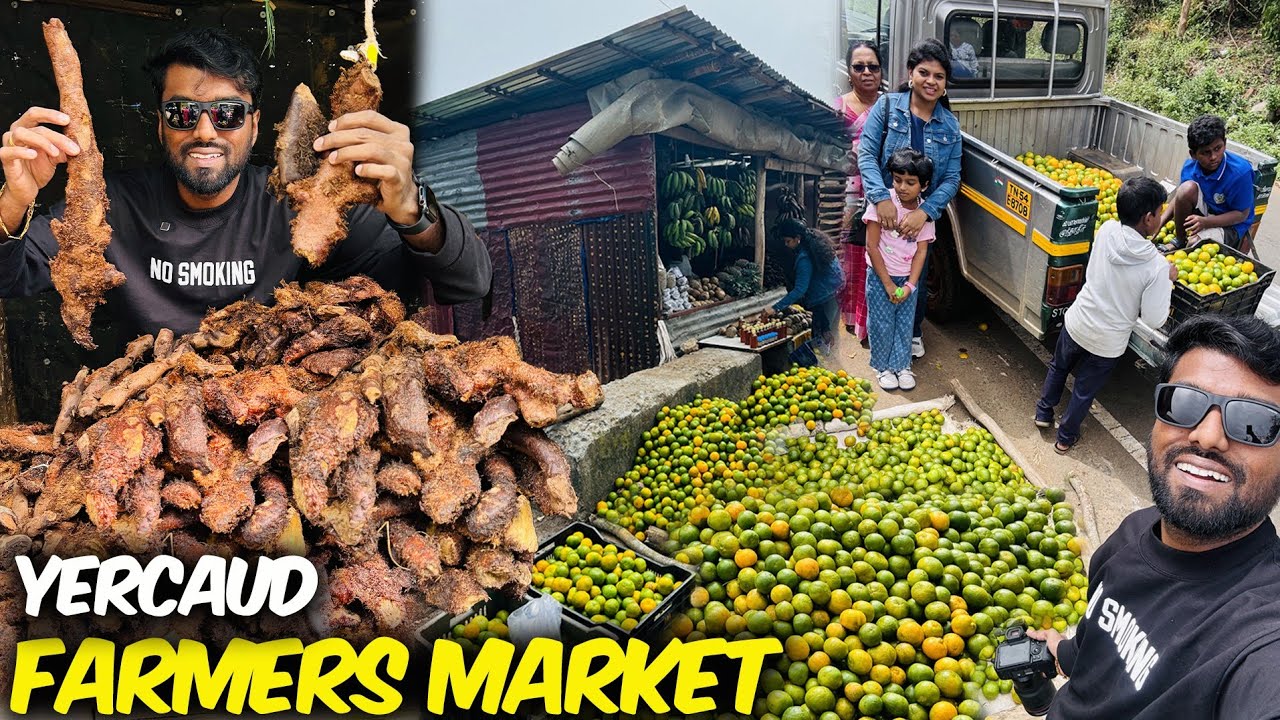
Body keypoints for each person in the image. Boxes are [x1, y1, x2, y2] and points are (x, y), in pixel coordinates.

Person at [0, 28, 491, 341]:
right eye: (183, 112)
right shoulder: (112, 208)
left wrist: (413, 209)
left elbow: (467, 282)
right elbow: (11, 278)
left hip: (273, 422)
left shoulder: (303, 202)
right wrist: (12, 204)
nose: (206, 131)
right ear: (160, 125)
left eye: (228, 113)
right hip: (149, 428)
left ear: (255, 126)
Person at [1028, 313, 1280, 719]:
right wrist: (1064, 651)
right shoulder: (1133, 534)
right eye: (1184, 403)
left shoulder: (1260, 635)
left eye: (1253, 423)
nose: (1207, 436)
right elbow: (1101, 642)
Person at [1035, 176, 1174, 453]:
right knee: (1084, 391)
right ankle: (1065, 439)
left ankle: (1043, 413)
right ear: (1148, 218)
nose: (1161, 217)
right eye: (1160, 212)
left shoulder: (1108, 229)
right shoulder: (1157, 267)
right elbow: (1154, 319)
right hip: (1107, 343)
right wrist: (1168, 279)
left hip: (1078, 322)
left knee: (1059, 367)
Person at [858, 38, 962, 361]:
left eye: (939, 76)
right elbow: (866, 155)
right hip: (885, 214)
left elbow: (952, 178)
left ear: (945, 85)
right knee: (881, 274)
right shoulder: (887, 107)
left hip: (919, 219)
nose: (931, 81)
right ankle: (880, 337)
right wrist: (880, 200)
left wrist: (926, 213)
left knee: (914, 275)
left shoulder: (950, 126)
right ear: (910, 73)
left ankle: (912, 331)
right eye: (924, 72)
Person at [863, 149, 934, 391]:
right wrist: (888, 284)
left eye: (910, 182)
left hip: (907, 280)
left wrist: (910, 285)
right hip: (880, 277)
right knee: (882, 323)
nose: (902, 187)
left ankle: (902, 365)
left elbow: (921, 252)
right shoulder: (882, 205)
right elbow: (872, 246)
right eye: (897, 180)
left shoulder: (923, 215)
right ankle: (882, 367)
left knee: (905, 324)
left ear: (924, 185)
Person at [834, 41, 883, 345]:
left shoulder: (891, 106)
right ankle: (849, 316)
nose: (867, 72)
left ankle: (872, 320)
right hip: (847, 196)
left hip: (881, 195)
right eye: (859, 67)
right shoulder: (836, 107)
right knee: (849, 259)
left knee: (876, 256)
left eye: (873, 67)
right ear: (849, 72)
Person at [1156, 114, 1256, 252]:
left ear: (1225, 144)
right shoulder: (1189, 168)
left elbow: (1242, 215)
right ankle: (1179, 239)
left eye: (1218, 148)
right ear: (1193, 154)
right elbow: (1180, 196)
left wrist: (1206, 223)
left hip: (1232, 224)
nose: (1213, 157)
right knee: (1186, 189)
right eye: (1206, 153)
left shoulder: (1240, 173)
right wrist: (1160, 222)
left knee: (1194, 244)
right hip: (1207, 211)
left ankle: (1190, 241)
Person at [772, 218, 843, 357]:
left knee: (821, 333)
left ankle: (822, 363)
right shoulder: (816, 245)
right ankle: (828, 358)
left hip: (825, 297)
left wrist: (775, 308)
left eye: (788, 241)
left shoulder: (804, 258)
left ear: (797, 238)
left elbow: (800, 290)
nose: (786, 245)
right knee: (828, 330)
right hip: (834, 291)